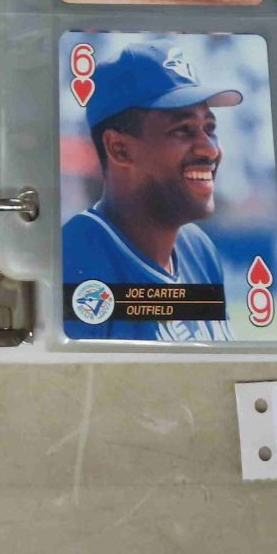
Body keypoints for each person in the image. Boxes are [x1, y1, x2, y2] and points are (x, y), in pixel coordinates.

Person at [63, 43, 238, 341]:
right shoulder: (75, 258)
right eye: (182, 130)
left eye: (209, 128)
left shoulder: (198, 248)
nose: (210, 149)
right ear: (119, 148)